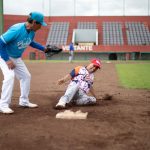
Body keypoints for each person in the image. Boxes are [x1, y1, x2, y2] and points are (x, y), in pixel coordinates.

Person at [0, 12, 48, 114]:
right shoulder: (17, 29)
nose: (41, 27)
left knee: (26, 76)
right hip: (4, 56)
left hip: (16, 57)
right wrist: (7, 60)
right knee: (10, 77)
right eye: (40, 24)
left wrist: (44, 49)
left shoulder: (32, 31)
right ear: (34, 22)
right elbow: (1, 42)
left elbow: (31, 42)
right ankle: (3, 105)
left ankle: (24, 101)